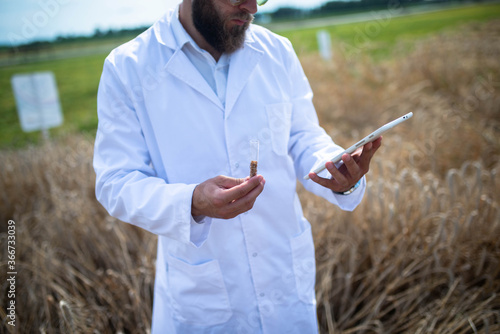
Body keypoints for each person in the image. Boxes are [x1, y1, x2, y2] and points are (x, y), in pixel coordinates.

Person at [93, 0, 382, 332]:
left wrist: (334, 169)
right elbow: (115, 181)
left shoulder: (277, 50)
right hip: (204, 292)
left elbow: (302, 135)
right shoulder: (128, 67)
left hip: (282, 275)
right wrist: (191, 202)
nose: (251, 7)